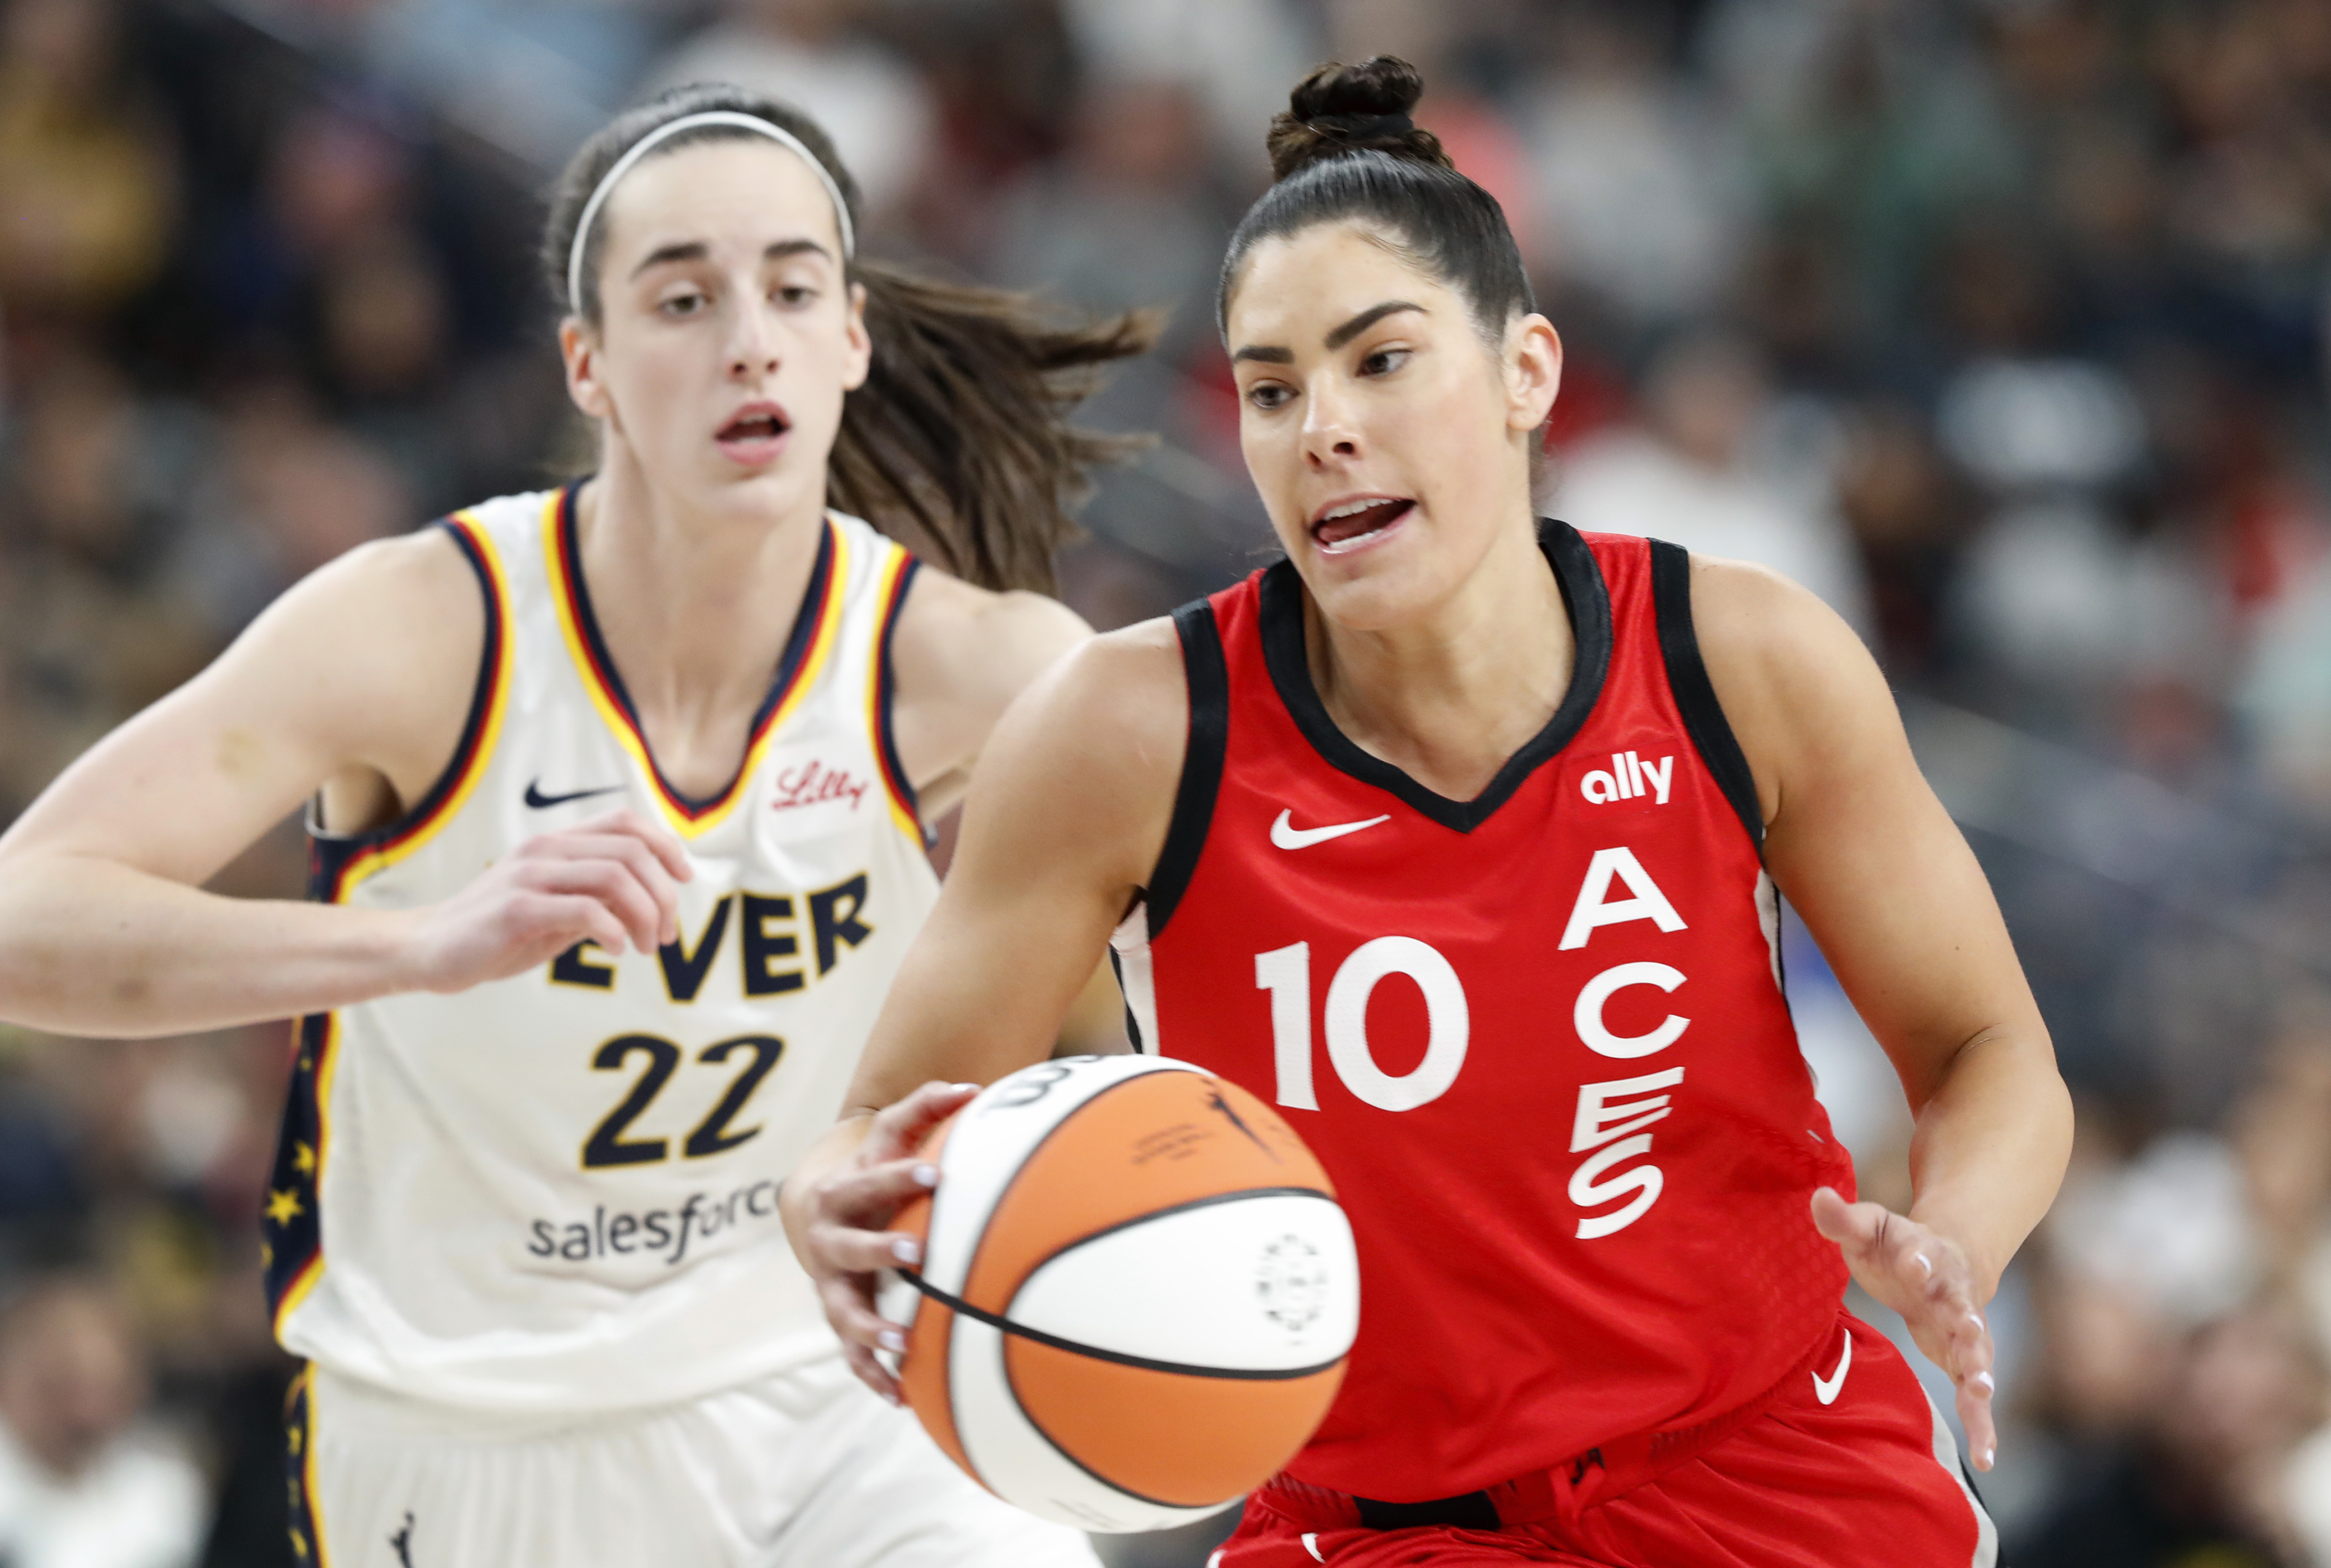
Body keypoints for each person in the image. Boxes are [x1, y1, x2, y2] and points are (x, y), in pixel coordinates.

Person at [788, 57, 2071, 1567]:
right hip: (1378, 1529)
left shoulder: (1742, 657)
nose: (1320, 424)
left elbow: (1990, 1052)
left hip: (1778, 1473)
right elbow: (879, 1128)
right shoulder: (1128, 733)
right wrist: (834, 1202)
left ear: (1527, 372)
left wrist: (1955, 1239)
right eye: (1271, 388)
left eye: (1379, 361)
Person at [0, 82, 1150, 1567]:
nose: (748, 335)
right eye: (683, 297)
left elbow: (1167, 1014)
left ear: (849, 339)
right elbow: (25, 917)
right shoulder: (425, 632)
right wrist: (418, 944)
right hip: (471, 1432)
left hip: (837, 1396)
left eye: (793, 288)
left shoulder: (986, 669)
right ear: (587, 365)